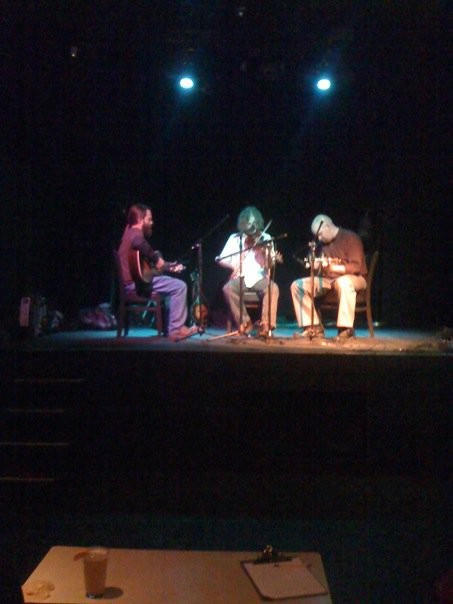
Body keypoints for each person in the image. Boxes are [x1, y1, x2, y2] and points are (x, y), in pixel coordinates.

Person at [117, 204, 197, 340]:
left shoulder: (127, 233)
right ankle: (175, 329)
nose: (152, 222)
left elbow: (146, 270)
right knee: (180, 286)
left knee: (170, 284)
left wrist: (168, 266)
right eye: (149, 219)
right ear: (141, 220)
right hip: (135, 286)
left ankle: (172, 327)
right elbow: (140, 243)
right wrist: (158, 260)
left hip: (133, 283)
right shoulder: (135, 234)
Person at [290, 214, 367, 339]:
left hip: (355, 278)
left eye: (320, 234)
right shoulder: (320, 245)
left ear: (327, 227)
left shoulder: (351, 237)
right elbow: (318, 266)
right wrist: (316, 266)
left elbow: (356, 267)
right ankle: (313, 327)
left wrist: (332, 267)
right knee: (298, 285)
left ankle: (346, 329)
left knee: (343, 282)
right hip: (328, 280)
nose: (319, 238)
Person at [216, 205, 280, 336]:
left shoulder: (265, 237)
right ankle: (245, 322)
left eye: (254, 223)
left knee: (273, 288)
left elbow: (269, 264)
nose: (252, 227)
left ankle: (266, 325)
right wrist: (234, 266)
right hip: (241, 277)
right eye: (249, 224)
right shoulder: (235, 238)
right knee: (227, 288)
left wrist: (266, 256)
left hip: (259, 278)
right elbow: (221, 259)